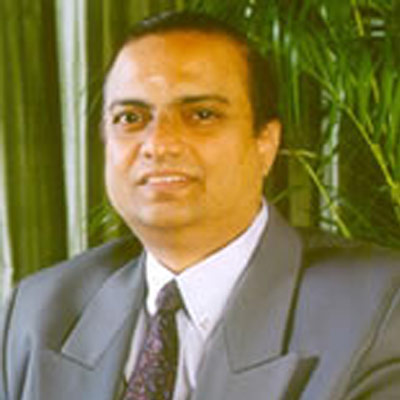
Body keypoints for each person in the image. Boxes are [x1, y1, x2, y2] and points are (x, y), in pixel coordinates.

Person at [1, 11, 400, 400]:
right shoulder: (36, 313)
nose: (159, 144)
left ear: (265, 143)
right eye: (131, 117)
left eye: (202, 114)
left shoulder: (380, 310)